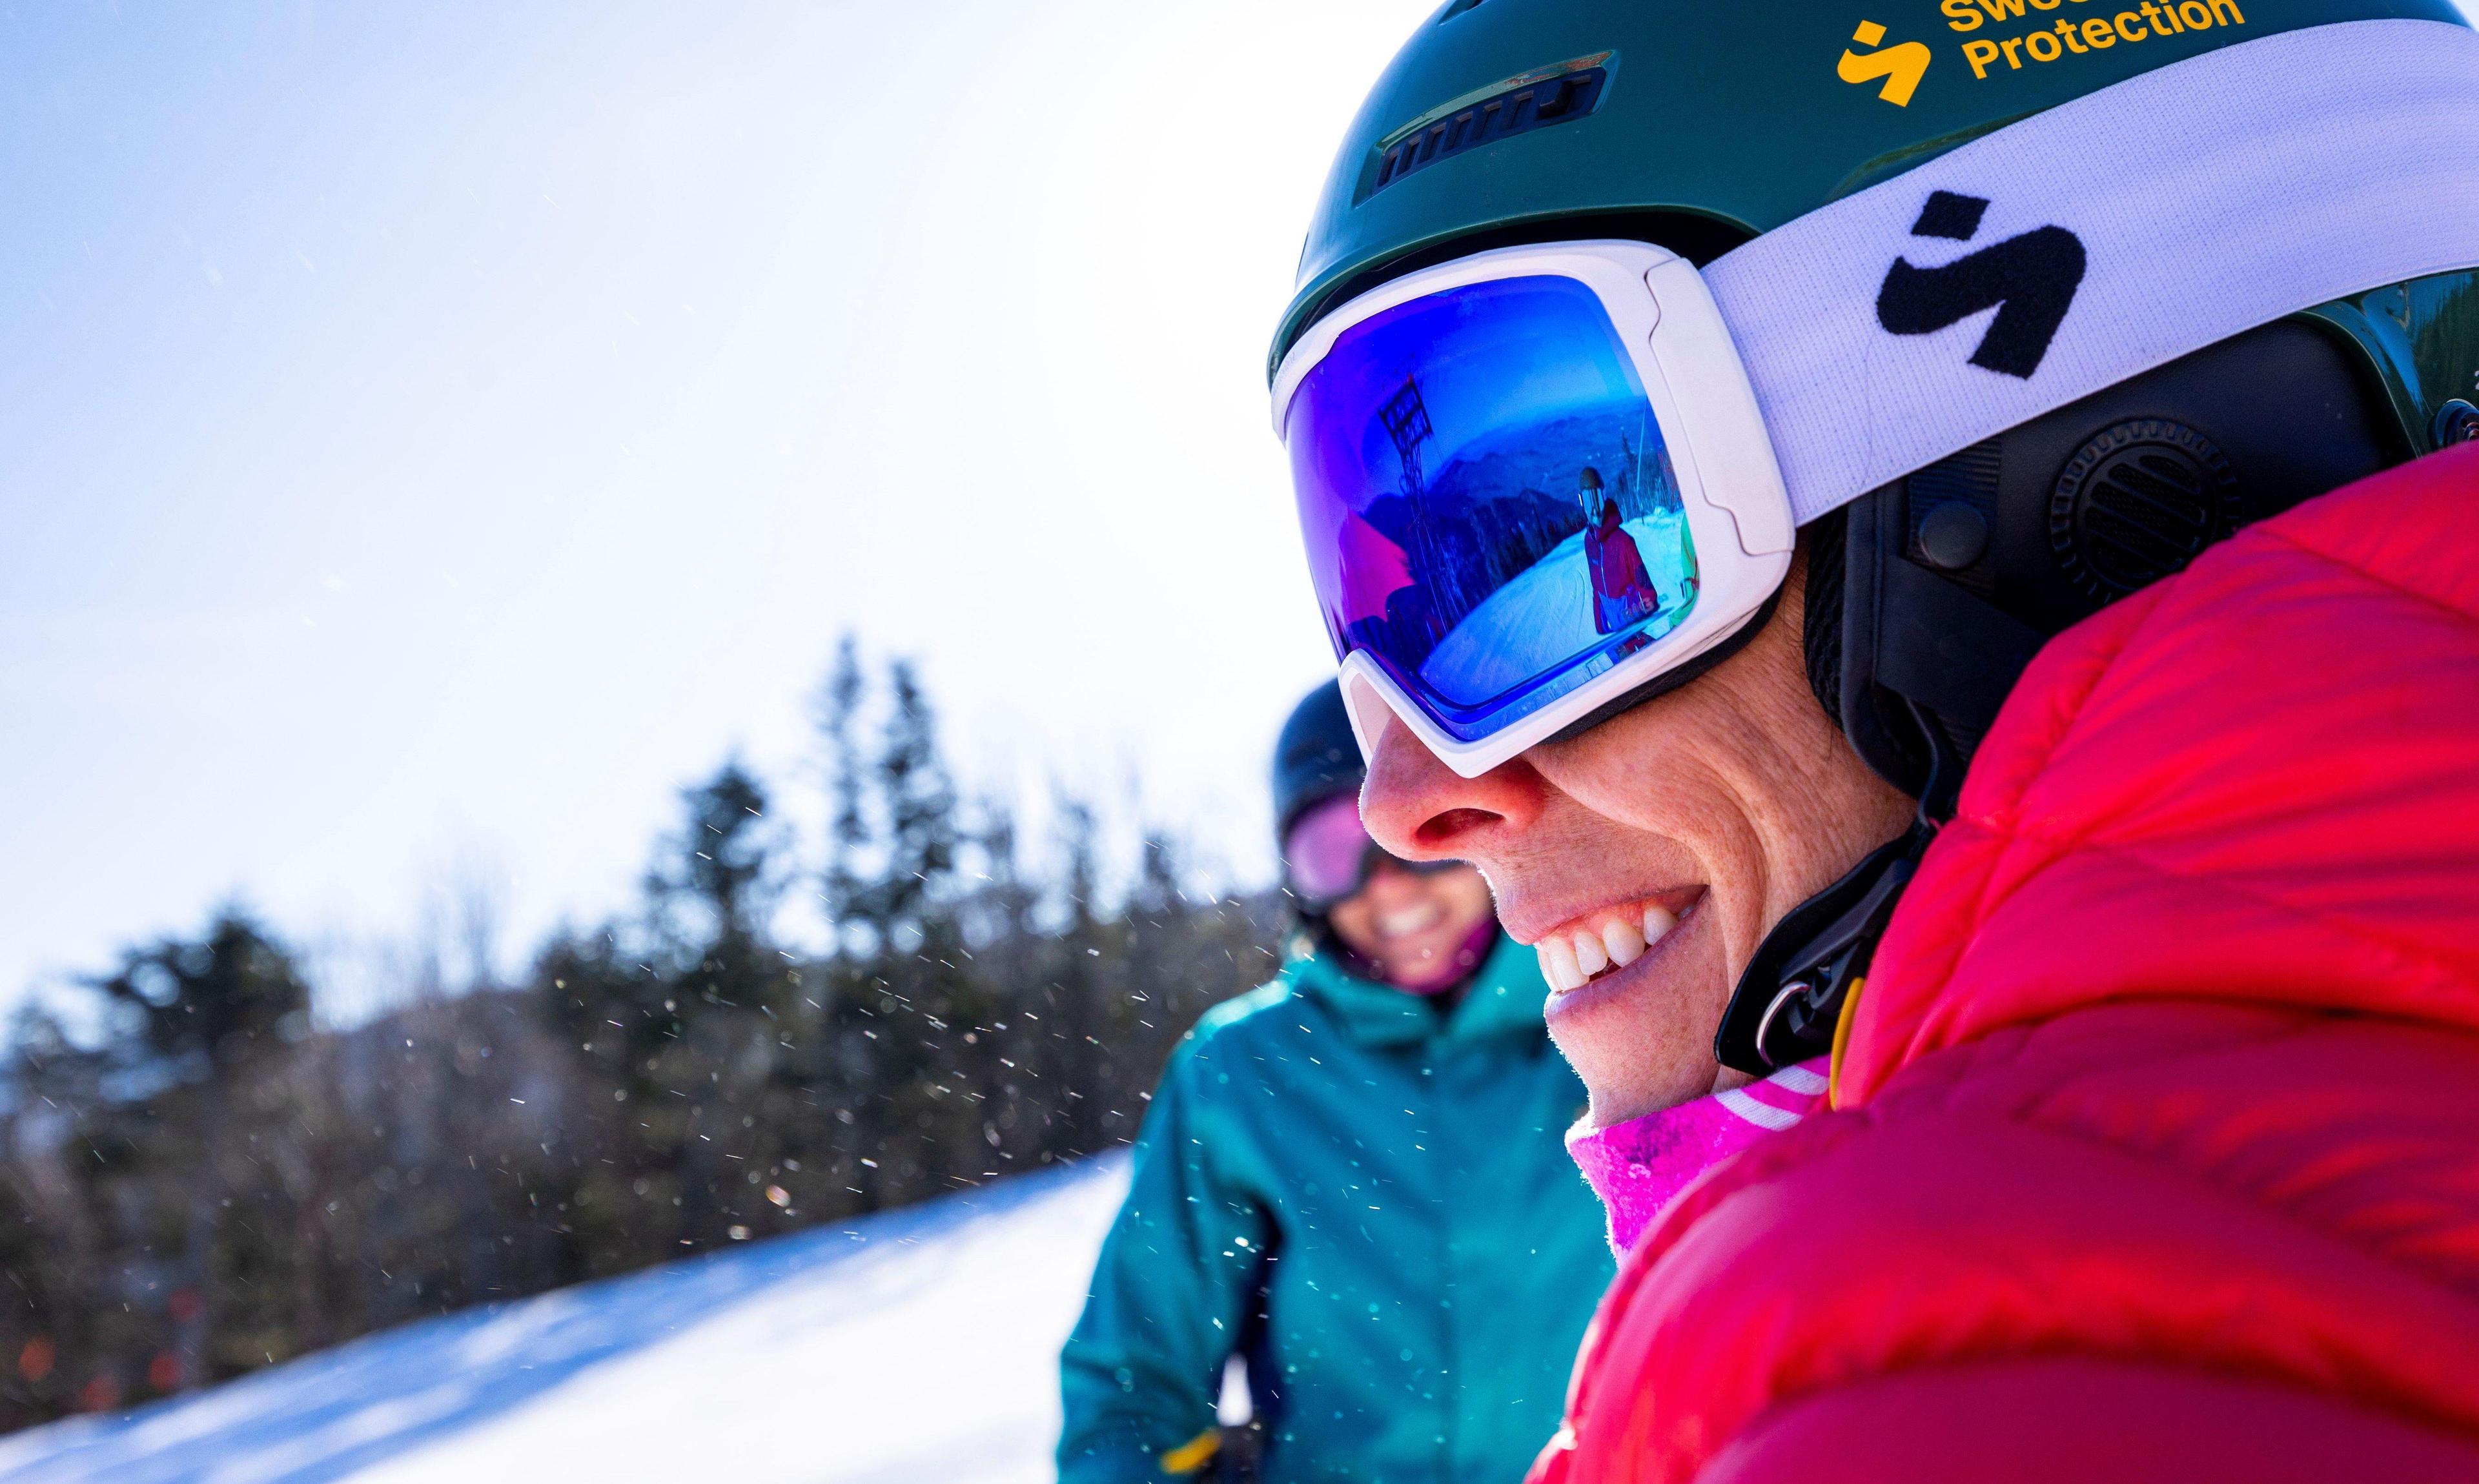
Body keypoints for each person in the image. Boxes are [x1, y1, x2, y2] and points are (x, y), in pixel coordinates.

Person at [1266, 1, 2479, 1479]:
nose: (1410, 796)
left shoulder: (1985, 1366)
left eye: (1510, 599)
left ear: (2083, 485)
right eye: (1377, 621)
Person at [1057, 682, 1612, 1484]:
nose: (1385, 885)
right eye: (1332, 850)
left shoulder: (1605, 1007)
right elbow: (1132, 1386)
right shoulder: (1248, 1073)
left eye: (1423, 838)